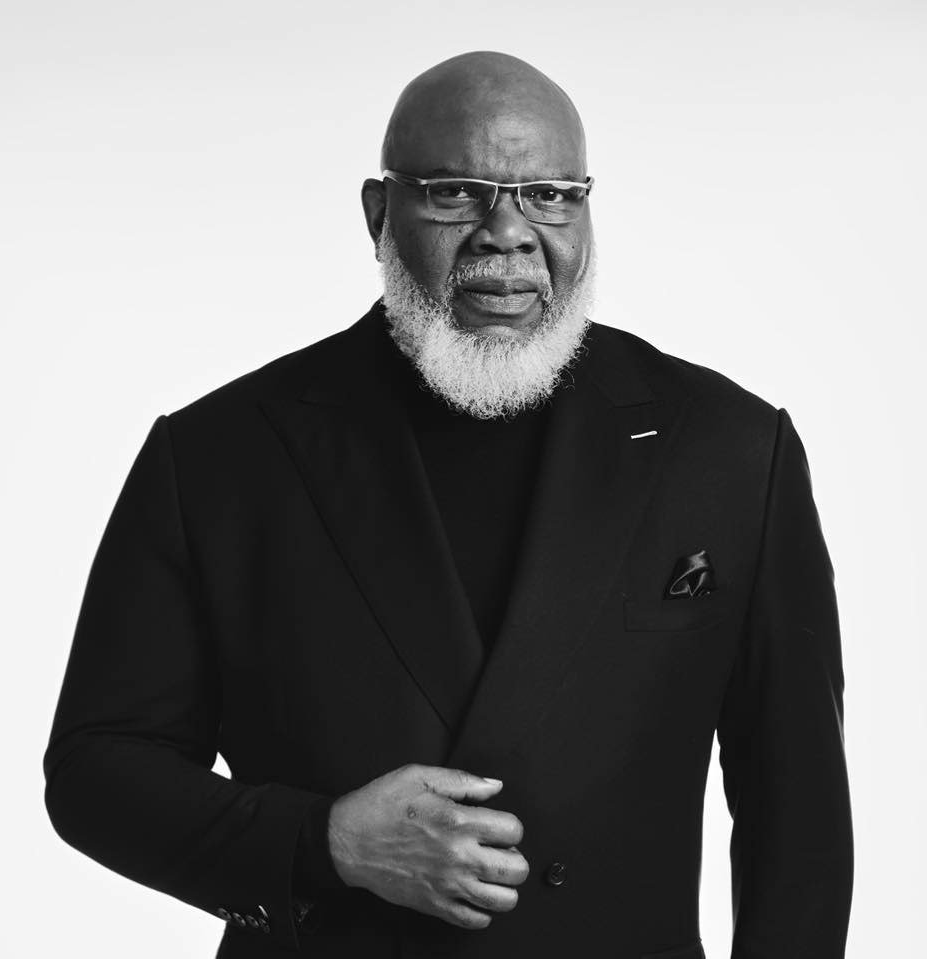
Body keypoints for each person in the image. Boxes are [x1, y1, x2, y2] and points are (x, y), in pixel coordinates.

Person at [43, 50, 854, 959]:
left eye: (551, 195)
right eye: (456, 193)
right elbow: (96, 769)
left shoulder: (730, 449)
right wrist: (325, 843)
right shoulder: (219, 454)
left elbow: (799, 816)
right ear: (378, 213)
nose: (507, 233)